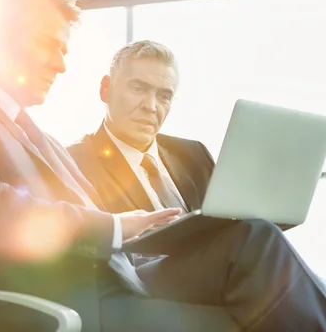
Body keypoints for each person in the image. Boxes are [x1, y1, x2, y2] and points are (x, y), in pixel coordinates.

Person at [0, 0, 325, 331]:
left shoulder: (35, 135)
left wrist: (145, 232)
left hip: (117, 273)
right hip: (59, 295)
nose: (60, 65)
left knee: (252, 237)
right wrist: (115, 227)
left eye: (64, 50)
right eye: (47, 44)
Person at [68, 40, 326, 330]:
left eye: (164, 95)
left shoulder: (191, 153)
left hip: (211, 269)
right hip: (140, 275)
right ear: (106, 89)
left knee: (264, 247)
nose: (150, 106)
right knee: (257, 240)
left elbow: (224, 220)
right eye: (138, 88)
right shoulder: (75, 161)